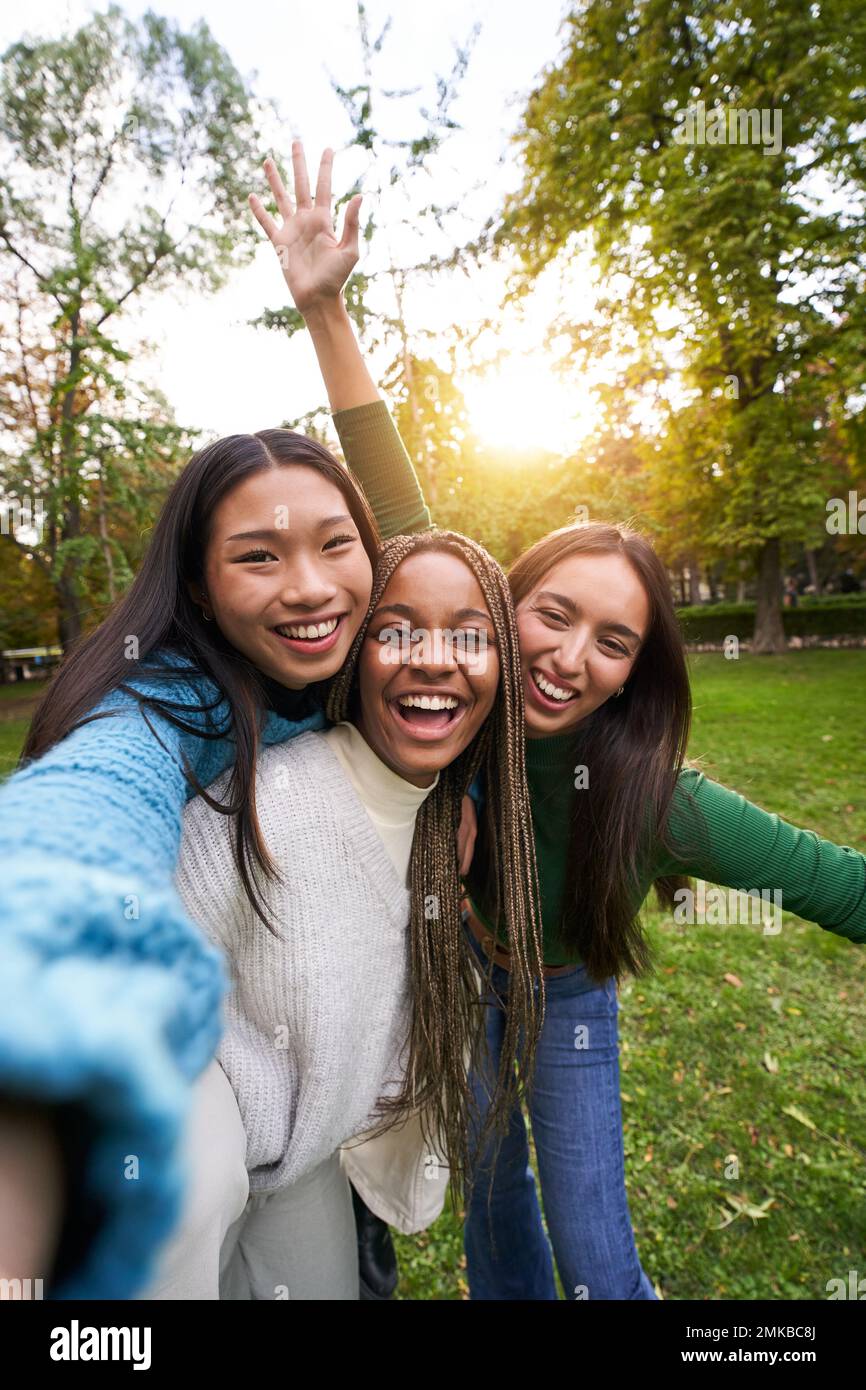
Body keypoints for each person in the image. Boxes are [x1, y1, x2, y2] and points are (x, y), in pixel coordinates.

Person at [292, 225, 866, 1299]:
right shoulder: (461, 680)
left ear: (633, 669)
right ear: (499, 610)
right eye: (550, 615)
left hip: (567, 1001)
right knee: (492, 1207)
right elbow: (387, 480)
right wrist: (326, 309)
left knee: (594, 1248)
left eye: (611, 641)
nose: (567, 656)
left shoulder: (658, 801)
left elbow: (836, 883)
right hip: (459, 977)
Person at [0, 144, 432, 1300]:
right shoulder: (177, 693)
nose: (308, 587)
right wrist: (44, 911)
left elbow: (407, 527)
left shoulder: (390, 652)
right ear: (197, 591)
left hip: (327, 1110)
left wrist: (326, 312)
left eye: (333, 545)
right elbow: (100, 783)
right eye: (257, 557)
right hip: (209, 1077)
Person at [138, 529, 544, 1299]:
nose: (433, 658)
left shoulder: (444, 822)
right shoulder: (258, 813)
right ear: (353, 654)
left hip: (314, 1173)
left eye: (470, 635)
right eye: (393, 630)